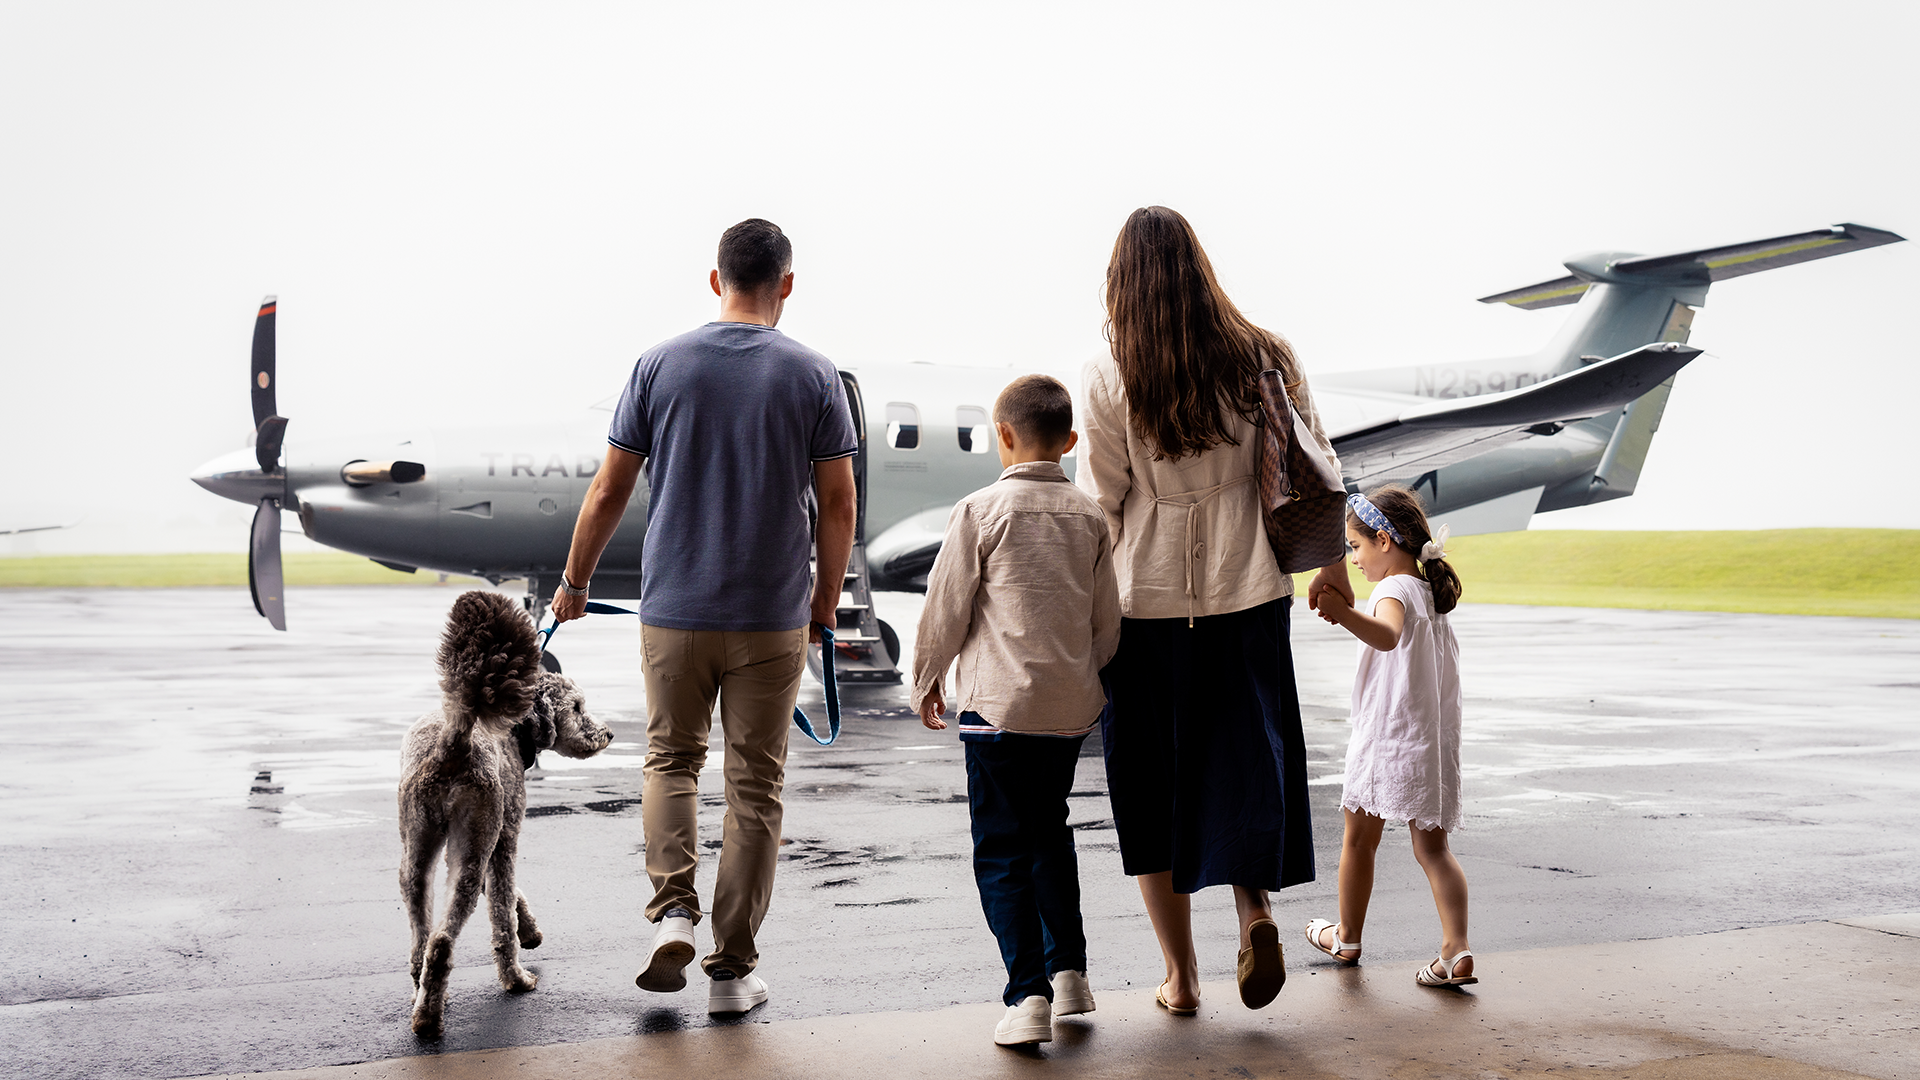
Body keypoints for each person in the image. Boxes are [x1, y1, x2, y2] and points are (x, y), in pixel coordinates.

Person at [550, 218, 858, 1015]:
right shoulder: (816, 376)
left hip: (675, 611)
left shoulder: (659, 365)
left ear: (714, 277)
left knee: (671, 763)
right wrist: (823, 605)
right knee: (755, 786)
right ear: (785, 283)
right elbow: (837, 503)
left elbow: (609, 489)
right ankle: (731, 971)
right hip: (772, 617)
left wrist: (575, 582)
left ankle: (671, 914)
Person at [1077, 206, 1352, 1015]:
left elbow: (1105, 505)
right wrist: (1333, 574)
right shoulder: (1266, 355)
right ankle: (1255, 913)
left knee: (1151, 790)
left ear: (1122, 278)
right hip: (1250, 598)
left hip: (1145, 611)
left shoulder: (1107, 373)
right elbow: (1321, 468)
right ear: (1201, 265)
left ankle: (1181, 978)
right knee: (1243, 770)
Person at [913, 374, 1122, 1046]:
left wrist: (925, 679)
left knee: (1002, 848)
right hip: (1067, 713)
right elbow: (1106, 624)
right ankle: (1070, 974)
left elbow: (946, 609)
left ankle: (1026, 995)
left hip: (997, 711)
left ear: (1003, 437)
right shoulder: (1092, 517)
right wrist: (1079, 678)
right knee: (1049, 831)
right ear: (1069, 440)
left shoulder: (978, 511)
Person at [1306, 485, 1475, 987]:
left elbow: (1387, 635)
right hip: (1432, 742)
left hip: (1388, 739)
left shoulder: (1395, 590)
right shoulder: (1431, 593)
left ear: (1383, 540)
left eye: (1354, 547)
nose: (1353, 559)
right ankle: (1456, 949)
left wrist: (1344, 615)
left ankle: (1347, 937)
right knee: (1434, 851)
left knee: (1358, 841)